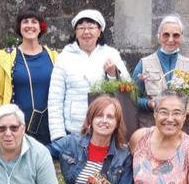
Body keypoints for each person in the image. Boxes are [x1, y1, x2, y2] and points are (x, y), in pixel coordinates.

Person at [48, 9, 130, 141]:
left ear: (99, 32)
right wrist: (58, 135)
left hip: (106, 130)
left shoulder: (111, 54)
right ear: (75, 32)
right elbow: (54, 98)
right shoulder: (64, 57)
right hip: (74, 131)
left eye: (91, 27)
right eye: (81, 28)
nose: (86, 32)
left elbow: (127, 90)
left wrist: (113, 75)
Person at [0, 8, 58, 145]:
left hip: (49, 126)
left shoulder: (55, 57)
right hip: (15, 127)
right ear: (19, 27)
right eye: (25, 22)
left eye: (34, 22)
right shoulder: (5, 57)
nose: (30, 25)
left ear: (40, 27)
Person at [132, 14, 189, 124]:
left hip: (182, 129)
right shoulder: (144, 63)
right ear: (159, 36)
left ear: (181, 37)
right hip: (151, 127)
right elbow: (132, 98)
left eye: (176, 35)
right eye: (166, 35)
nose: (171, 40)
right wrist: (148, 104)